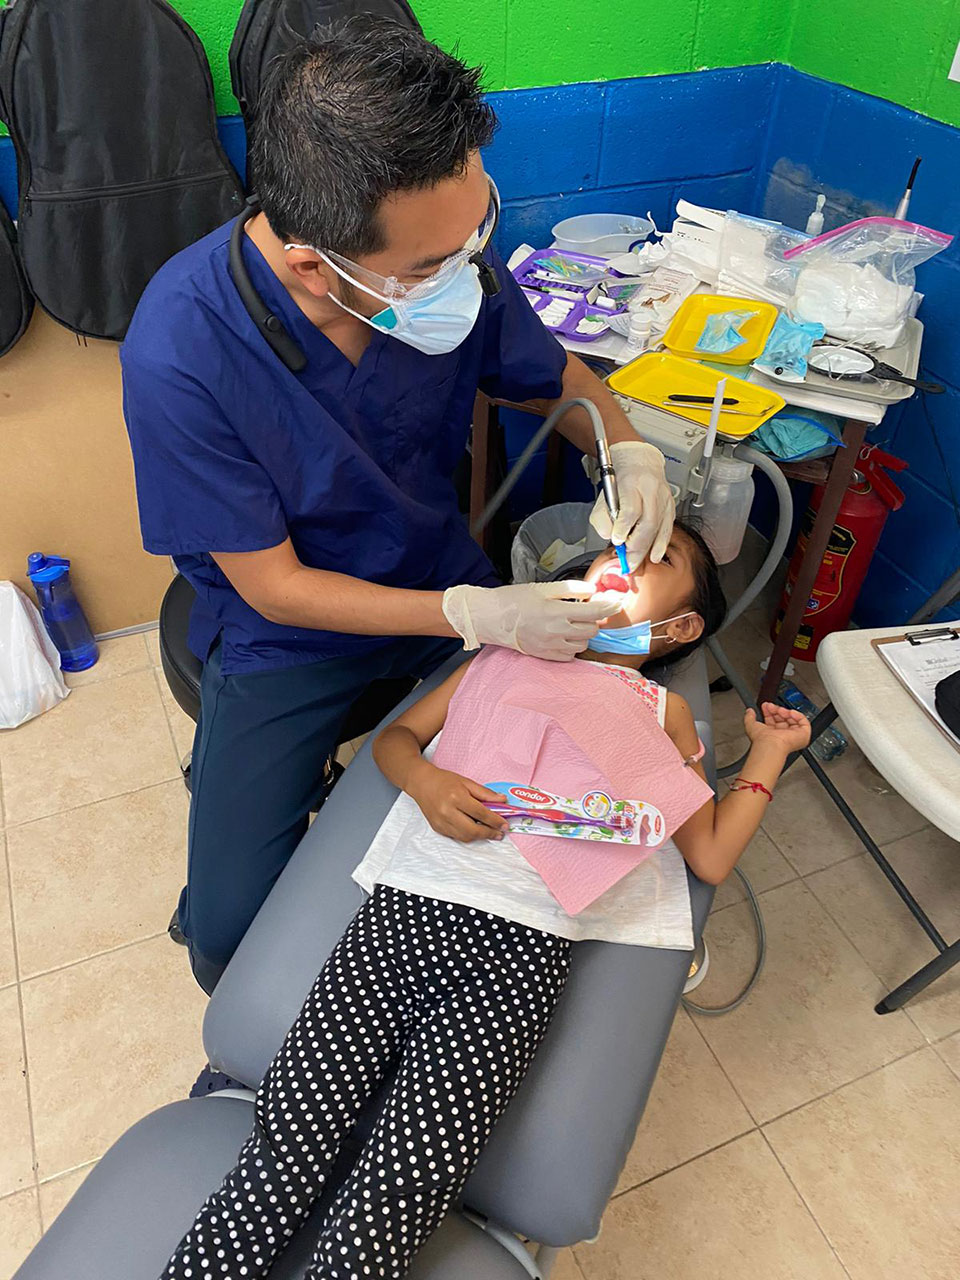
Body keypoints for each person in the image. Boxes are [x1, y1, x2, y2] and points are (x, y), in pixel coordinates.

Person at [121, 16, 675, 994]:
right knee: (227, 938)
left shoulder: (440, 263)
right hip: (288, 637)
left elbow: (555, 378)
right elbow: (279, 588)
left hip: (435, 576)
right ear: (311, 265)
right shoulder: (182, 350)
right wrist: (475, 612)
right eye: (431, 267)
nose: (467, 275)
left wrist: (627, 449)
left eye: (476, 239)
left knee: (524, 829)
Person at [159, 522, 811, 1280]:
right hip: (397, 925)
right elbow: (396, 740)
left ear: (681, 627)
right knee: (281, 1155)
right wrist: (427, 781)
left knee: (392, 1201)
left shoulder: (658, 714)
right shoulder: (503, 655)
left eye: (654, 558)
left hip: (513, 966)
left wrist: (767, 754)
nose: (618, 557)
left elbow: (708, 852)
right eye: (612, 547)